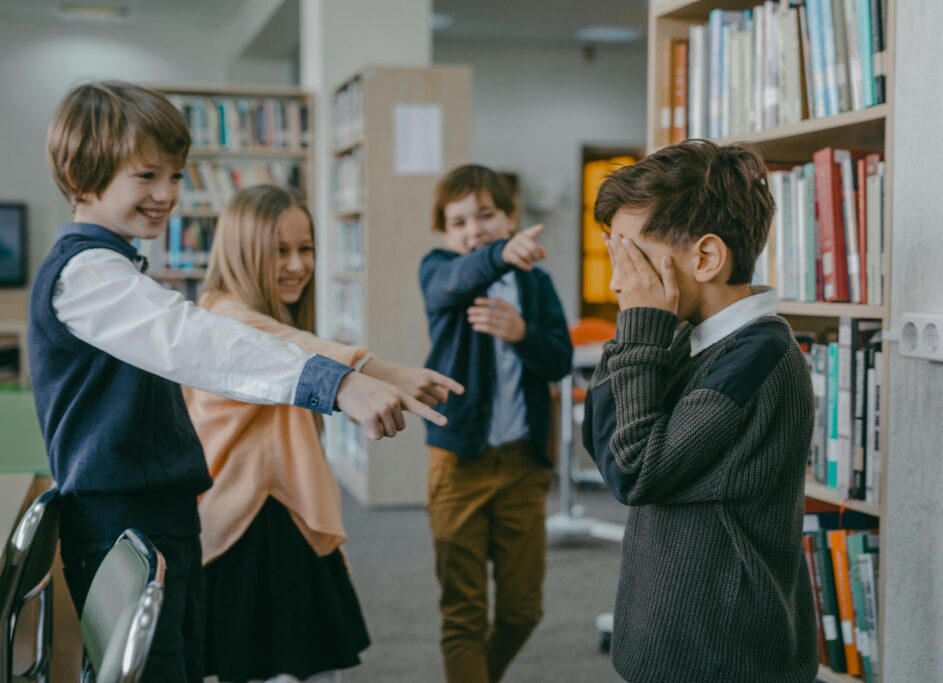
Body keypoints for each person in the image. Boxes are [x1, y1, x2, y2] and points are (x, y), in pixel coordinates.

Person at [29, 80, 445, 682]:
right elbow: (194, 339)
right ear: (84, 170)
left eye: (175, 176)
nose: (167, 194)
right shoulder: (87, 274)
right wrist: (337, 383)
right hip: (123, 521)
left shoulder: (114, 265)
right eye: (147, 176)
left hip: (154, 514)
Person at [184, 184, 463, 682]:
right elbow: (285, 347)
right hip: (249, 523)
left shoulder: (254, 313)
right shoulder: (222, 317)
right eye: (279, 252)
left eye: (305, 249)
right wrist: (375, 370)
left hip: (279, 511)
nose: (296, 265)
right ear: (242, 252)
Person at [583, 140, 818, 683]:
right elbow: (606, 437)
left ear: (706, 258)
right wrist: (639, 333)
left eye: (632, 257)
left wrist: (641, 327)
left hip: (720, 653)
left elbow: (634, 471)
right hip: (672, 636)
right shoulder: (692, 339)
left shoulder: (759, 358)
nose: (619, 281)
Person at [419, 164, 572, 682]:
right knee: (463, 614)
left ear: (510, 217)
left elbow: (558, 361)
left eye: (485, 216)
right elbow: (453, 282)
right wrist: (496, 257)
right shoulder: (440, 269)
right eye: (458, 221)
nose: (474, 229)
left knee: (521, 611)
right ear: (445, 232)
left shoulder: (536, 284)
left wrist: (523, 333)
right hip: (458, 466)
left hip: (523, 468)